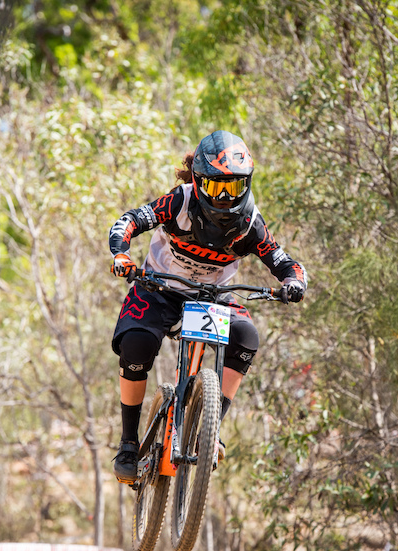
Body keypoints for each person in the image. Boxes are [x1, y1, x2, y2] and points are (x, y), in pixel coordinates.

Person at [107, 130, 308, 484]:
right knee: (137, 344)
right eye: (217, 188)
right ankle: (128, 441)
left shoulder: (250, 223)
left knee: (246, 335)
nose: (227, 197)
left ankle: (209, 427)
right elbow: (131, 220)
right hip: (160, 289)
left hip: (213, 296)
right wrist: (121, 253)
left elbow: (285, 263)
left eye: (235, 187)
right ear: (199, 182)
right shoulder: (179, 202)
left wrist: (293, 283)